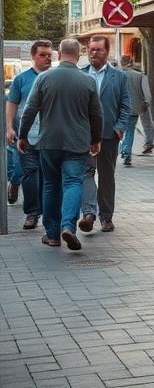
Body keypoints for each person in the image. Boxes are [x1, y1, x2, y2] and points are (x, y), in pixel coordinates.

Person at [18, 38, 103, 251]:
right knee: (73, 182)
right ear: (80, 54)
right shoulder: (88, 81)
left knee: (50, 185)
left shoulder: (44, 78)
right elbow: (97, 114)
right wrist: (95, 139)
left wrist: (23, 135)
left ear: (58, 53)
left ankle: (53, 234)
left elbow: (29, 110)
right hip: (77, 142)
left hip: (49, 141)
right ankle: (68, 227)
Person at [79, 35, 132, 233]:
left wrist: (119, 128)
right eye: (91, 50)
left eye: (98, 50)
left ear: (107, 52)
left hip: (108, 136)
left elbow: (126, 105)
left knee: (107, 176)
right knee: (86, 173)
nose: (93, 53)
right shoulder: (81, 74)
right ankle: (89, 214)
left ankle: (106, 217)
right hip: (83, 135)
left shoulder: (119, 77)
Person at [5, 40, 53, 229]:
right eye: (42, 54)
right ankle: (32, 213)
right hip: (28, 135)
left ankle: (48, 213)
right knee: (30, 174)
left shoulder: (55, 77)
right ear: (33, 56)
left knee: (49, 176)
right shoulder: (22, 79)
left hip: (51, 136)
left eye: (49, 54)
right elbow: (12, 103)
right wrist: (10, 127)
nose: (47, 58)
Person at [119, 55, 154, 163]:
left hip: (121, 108)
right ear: (131, 62)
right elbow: (147, 94)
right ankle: (126, 152)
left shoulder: (117, 76)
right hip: (135, 107)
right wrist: (145, 103)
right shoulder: (140, 76)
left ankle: (124, 150)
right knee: (130, 130)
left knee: (119, 130)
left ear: (121, 63)